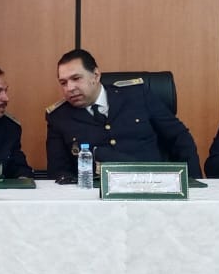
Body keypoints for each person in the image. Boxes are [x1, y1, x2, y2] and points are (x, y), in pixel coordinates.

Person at [45, 49, 202, 180]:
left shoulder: (138, 95)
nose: (70, 88)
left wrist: (193, 183)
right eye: (63, 83)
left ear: (96, 75)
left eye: (76, 78)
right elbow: (59, 172)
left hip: (152, 186)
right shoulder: (59, 117)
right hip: (96, 196)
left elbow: (180, 138)